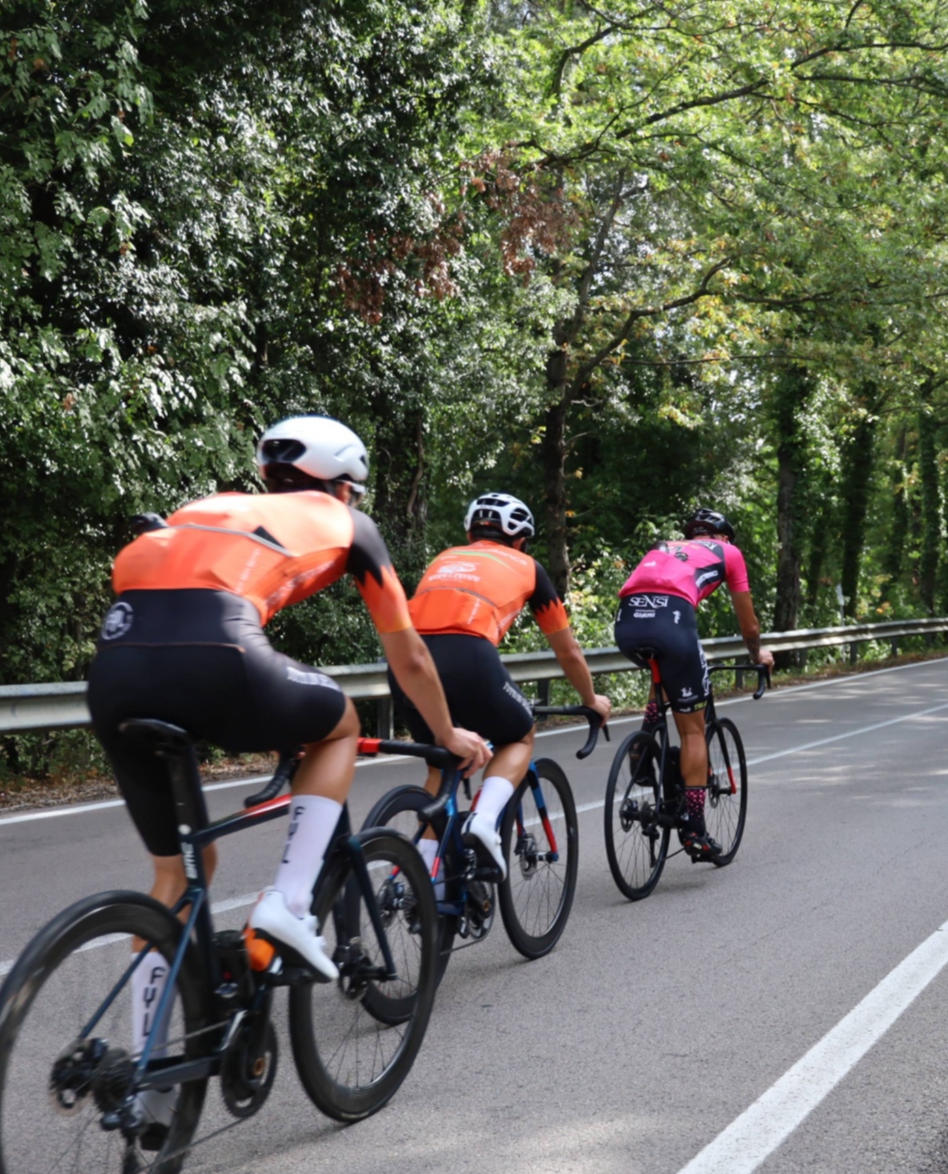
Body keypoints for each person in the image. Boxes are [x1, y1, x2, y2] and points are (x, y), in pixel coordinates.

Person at [87, 416, 491, 1130]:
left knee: (181, 871)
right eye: (356, 492)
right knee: (339, 725)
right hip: (219, 649)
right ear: (342, 484)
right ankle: (289, 904)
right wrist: (446, 732)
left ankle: (150, 1081)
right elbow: (411, 660)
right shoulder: (345, 523)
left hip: (116, 666)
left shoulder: (209, 509)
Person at [390, 492, 612, 877]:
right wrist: (590, 699)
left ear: (470, 532)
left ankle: (426, 889)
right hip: (469, 654)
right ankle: (484, 819)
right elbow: (568, 651)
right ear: (521, 539)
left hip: (406, 661)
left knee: (442, 767)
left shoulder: (445, 558)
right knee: (519, 735)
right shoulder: (528, 565)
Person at [613, 507, 775, 859]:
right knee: (692, 730)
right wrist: (756, 655)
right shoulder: (729, 552)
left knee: (662, 669)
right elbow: (749, 626)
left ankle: (644, 743)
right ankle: (695, 829)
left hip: (627, 621)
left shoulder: (664, 547)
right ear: (725, 537)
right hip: (671, 622)